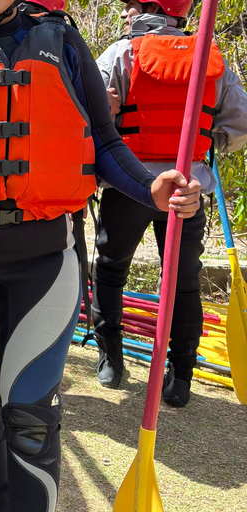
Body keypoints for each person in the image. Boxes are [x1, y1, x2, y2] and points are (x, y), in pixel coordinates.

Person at [0, 0, 202, 510]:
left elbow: (104, 144)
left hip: (44, 263)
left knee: (30, 418)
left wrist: (152, 188)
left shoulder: (67, 45)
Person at [91, 0, 247, 406]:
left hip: (129, 184)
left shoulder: (119, 54)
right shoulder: (211, 58)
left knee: (110, 271)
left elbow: (86, 117)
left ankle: (111, 360)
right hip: (188, 188)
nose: (125, 14)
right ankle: (181, 378)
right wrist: (205, 143)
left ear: (148, 9)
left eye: (130, 6)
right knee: (182, 282)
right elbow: (240, 125)